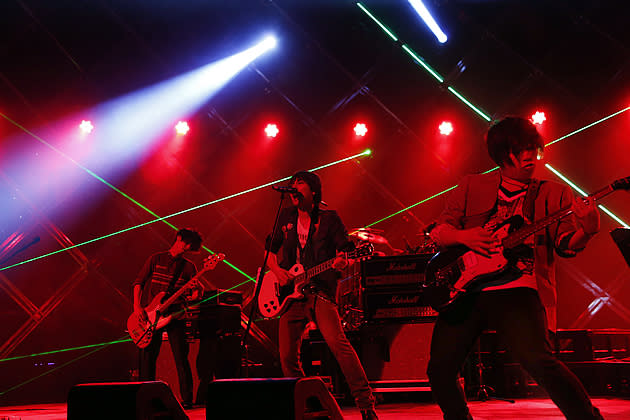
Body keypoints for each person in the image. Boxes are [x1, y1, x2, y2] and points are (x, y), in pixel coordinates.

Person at [427, 116, 603, 420]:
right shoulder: (472, 184)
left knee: (538, 360)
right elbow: (438, 231)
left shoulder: (554, 193)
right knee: (440, 369)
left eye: (533, 148)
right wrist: (463, 236)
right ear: (502, 153)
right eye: (521, 149)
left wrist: (587, 228)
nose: (530, 155)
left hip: (519, 288)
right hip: (467, 290)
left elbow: (564, 243)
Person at [265, 171, 378, 420]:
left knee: (338, 344)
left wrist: (342, 262)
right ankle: (310, 405)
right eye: (292, 184)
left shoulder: (328, 219)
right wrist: (278, 272)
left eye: (300, 183)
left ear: (313, 191)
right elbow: (269, 255)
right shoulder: (285, 218)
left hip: (320, 292)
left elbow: (344, 253)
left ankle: (365, 403)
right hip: (291, 295)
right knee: (286, 357)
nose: (294, 188)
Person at [132, 228, 203, 409]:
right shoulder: (156, 259)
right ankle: (147, 398)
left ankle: (187, 399)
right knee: (148, 358)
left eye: (190, 246)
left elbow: (197, 294)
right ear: (178, 238)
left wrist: (194, 292)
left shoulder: (189, 267)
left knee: (181, 357)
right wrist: (137, 306)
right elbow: (139, 282)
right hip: (151, 316)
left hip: (175, 316)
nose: (187, 247)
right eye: (186, 243)